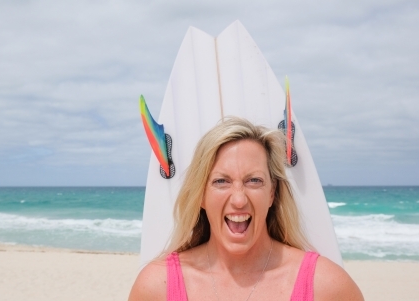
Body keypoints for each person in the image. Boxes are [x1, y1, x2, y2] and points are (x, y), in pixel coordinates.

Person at [129, 117, 363, 301]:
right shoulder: (157, 288)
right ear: (200, 195)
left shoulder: (326, 287)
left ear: (272, 193)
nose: (239, 200)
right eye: (221, 181)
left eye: (254, 181)